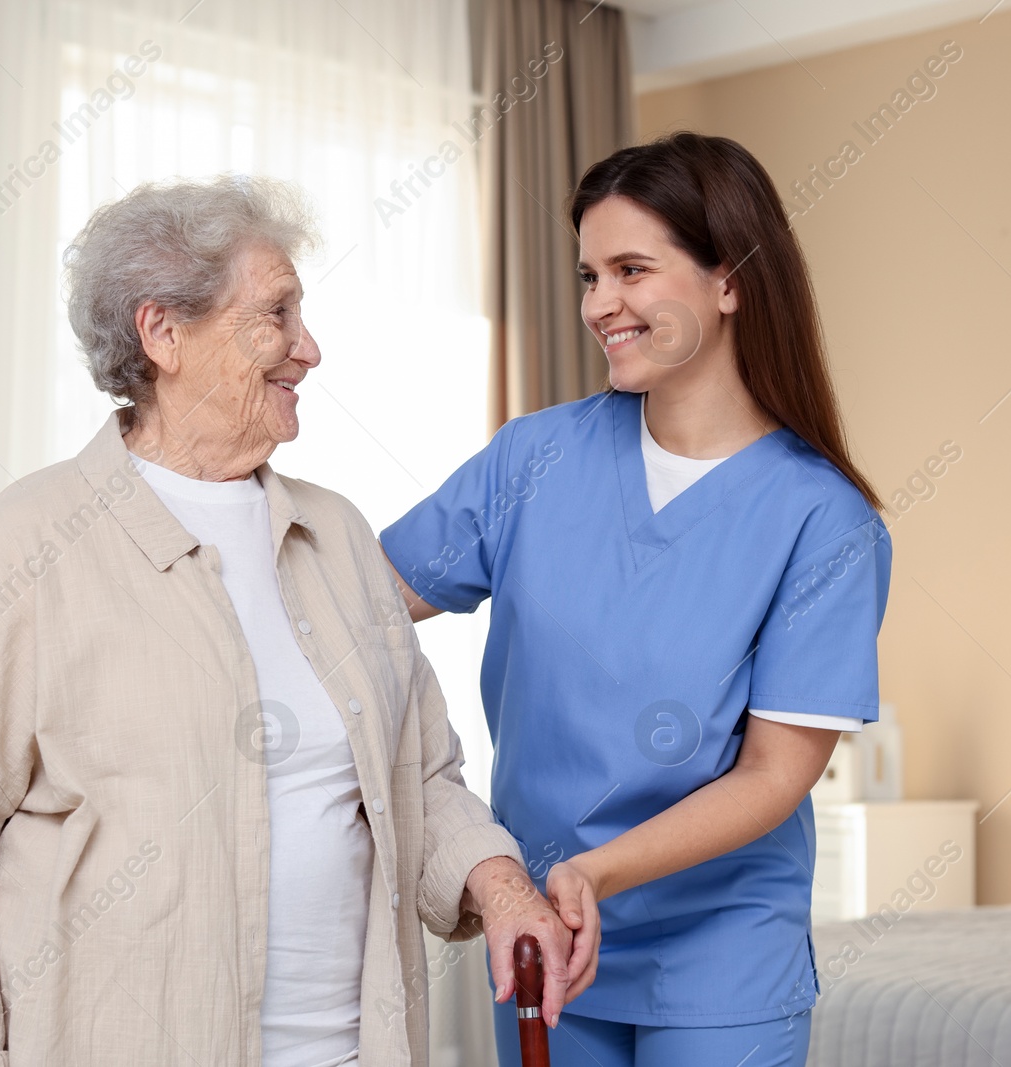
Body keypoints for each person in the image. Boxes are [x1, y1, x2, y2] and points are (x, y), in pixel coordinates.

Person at [0, 175, 585, 1067]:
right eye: (276, 314)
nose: (308, 348)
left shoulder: (339, 536)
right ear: (163, 332)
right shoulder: (32, 542)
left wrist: (503, 885)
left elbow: (419, 772)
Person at [380, 132, 892, 1067]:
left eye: (630, 269)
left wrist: (594, 872)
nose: (599, 304)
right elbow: (357, 603)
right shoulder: (533, 459)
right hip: (547, 941)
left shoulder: (822, 518)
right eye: (588, 275)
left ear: (729, 279)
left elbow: (777, 775)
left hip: (719, 961)